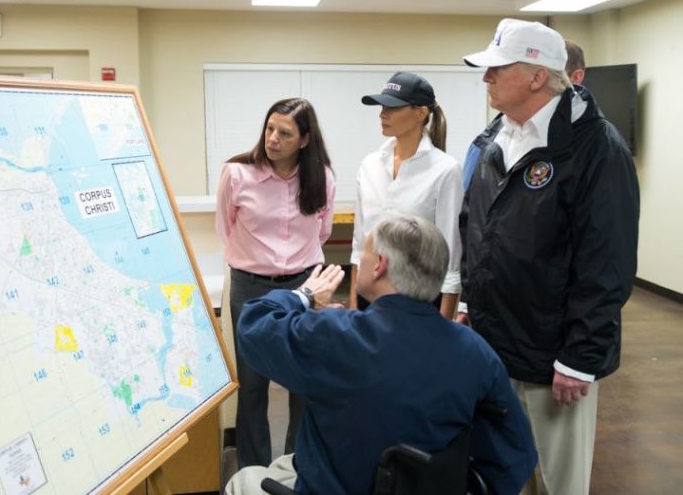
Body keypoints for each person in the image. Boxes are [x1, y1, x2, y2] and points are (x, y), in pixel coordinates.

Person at [225, 214, 537, 495]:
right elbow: (516, 455)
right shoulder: (476, 352)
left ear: (380, 265)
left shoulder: (335, 336)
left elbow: (254, 326)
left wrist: (304, 295)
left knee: (244, 480)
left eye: (364, 252)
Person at [459, 19, 640, 495]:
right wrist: (467, 306)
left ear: (537, 76)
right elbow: (475, 230)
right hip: (496, 349)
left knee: (558, 483)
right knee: (504, 476)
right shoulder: (493, 139)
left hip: (553, 359)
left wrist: (580, 357)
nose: (486, 79)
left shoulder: (596, 148)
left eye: (497, 69)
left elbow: (607, 264)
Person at [215, 98, 336, 469]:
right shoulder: (237, 174)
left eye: (284, 133)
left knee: (302, 382)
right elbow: (225, 228)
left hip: (304, 284)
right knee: (253, 386)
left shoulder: (322, 178)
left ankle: (296, 467)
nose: (273, 139)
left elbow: (323, 232)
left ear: (304, 140)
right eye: (270, 129)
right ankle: (251, 471)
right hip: (251, 288)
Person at [350, 72, 462, 319]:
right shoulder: (369, 165)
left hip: (419, 302)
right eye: (381, 107)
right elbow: (359, 246)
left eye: (393, 107)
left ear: (421, 113)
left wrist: (444, 328)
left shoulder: (445, 170)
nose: (382, 114)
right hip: (369, 300)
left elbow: (451, 256)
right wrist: (353, 311)